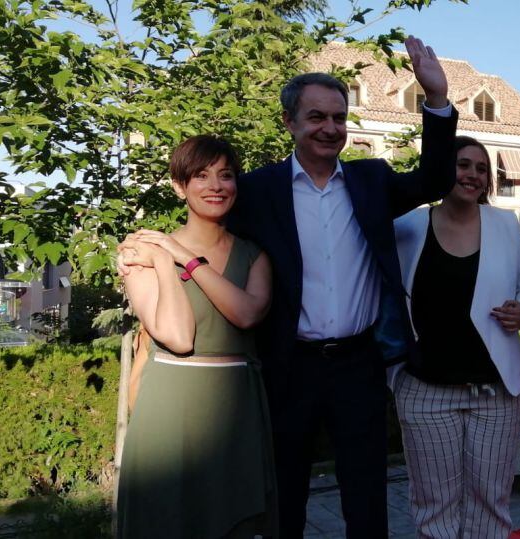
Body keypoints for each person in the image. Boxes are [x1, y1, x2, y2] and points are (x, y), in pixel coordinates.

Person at [226, 36, 458, 539]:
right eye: (316, 117)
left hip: (359, 366)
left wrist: (436, 100)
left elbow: (436, 181)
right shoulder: (259, 191)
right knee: (285, 496)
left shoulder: (371, 181)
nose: (330, 128)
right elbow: (210, 223)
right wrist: (162, 251)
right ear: (289, 123)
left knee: (366, 498)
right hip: (288, 366)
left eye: (338, 117)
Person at [115, 135, 278, 538]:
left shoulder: (255, 255)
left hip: (236, 408)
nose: (216, 186)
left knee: (237, 522)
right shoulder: (144, 251)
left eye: (226, 175)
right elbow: (177, 336)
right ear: (179, 186)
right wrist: (162, 258)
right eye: (201, 176)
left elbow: (246, 313)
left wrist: (183, 257)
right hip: (170, 407)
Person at [390, 136, 520, 538]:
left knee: (491, 504)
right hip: (425, 392)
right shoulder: (407, 225)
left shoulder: (505, 225)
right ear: (441, 169)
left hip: (496, 393)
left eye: (481, 167)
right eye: (463, 164)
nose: (473, 174)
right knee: (434, 508)